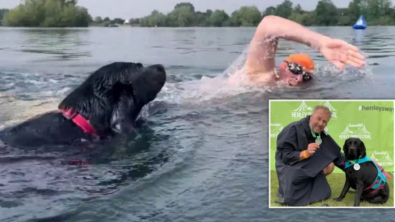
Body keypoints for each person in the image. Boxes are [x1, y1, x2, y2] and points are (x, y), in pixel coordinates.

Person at [228, 15, 366, 87]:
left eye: (306, 78)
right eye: (296, 69)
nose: (299, 78)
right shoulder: (260, 76)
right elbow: (267, 25)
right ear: (282, 66)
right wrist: (320, 43)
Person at [274, 105, 346, 206]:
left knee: (330, 165)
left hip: (306, 165)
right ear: (311, 116)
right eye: (319, 119)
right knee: (292, 193)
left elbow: (335, 154)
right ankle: (289, 188)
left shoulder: (320, 133)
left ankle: (308, 185)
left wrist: (360, 165)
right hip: (288, 166)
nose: (320, 123)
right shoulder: (292, 128)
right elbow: (285, 157)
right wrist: (305, 153)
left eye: (324, 121)